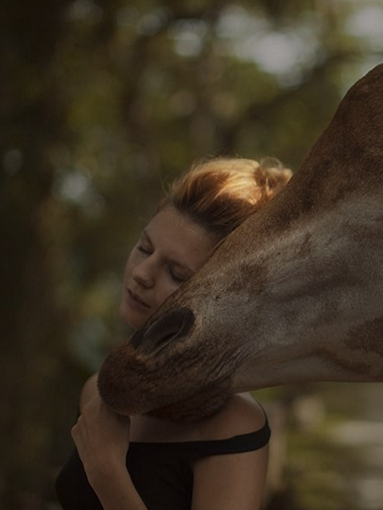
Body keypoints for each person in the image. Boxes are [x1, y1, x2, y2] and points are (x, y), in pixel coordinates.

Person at [56, 157, 292, 510]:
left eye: (177, 274)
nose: (141, 273)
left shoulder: (233, 426)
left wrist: (107, 474)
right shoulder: (97, 390)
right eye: (145, 248)